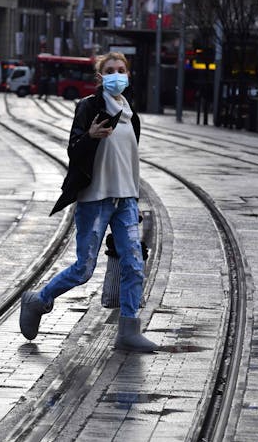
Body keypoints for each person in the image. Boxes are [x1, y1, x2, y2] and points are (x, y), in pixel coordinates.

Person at [19, 52, 158, 353]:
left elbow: (129, 161)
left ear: (128, 75)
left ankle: (129, 330)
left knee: (134, 265)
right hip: (94, 200)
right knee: (83, 269)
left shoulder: (132, 115)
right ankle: (38, 301)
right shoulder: (89, 107)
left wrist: (133, 199)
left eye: (121, 70)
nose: (117, 75)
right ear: (99, 77)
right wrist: (91, 136)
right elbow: (73, 151)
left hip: (125, 200)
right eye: (110, 71)